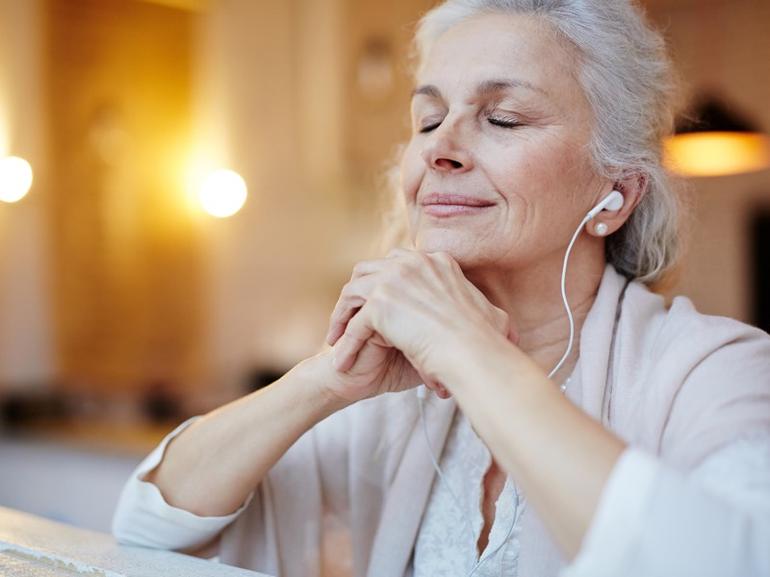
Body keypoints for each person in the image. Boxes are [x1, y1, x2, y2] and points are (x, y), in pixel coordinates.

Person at [112, 1, 770, 576]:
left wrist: (471, 352)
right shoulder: (394, 398)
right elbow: (148, 523)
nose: (438, 150)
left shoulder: (717, 368)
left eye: (504, 118)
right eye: (427, 121)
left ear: (615, 194)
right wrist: (325, 379)